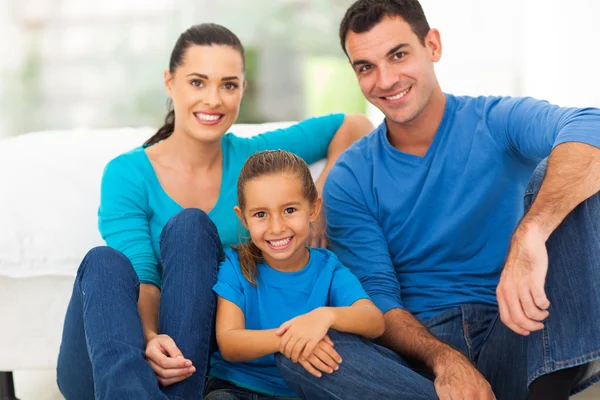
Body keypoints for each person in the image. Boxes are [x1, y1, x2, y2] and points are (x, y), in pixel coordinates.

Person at [275, 1, 600, 400]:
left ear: (432, 45)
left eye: (398, 55)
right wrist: (447, 363)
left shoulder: (495, 120)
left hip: (519, 327)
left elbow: (591, 125)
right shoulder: (352, 177)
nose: (386, 79)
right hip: (421, 357)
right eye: (366, 67)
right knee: (300, 352)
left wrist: (530, 232)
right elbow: (379, 302)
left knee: (575, 172)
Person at [56, 23, 373, 400]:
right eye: (197, 82)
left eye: (229, 85)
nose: (213, 99)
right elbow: (143, 276)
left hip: (191, 361)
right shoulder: (127, 173)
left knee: (192, 226)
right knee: (103, 261)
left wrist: (318, 210)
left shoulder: (253, 162)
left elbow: (353, 125)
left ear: (242, 90)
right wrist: (150, 338)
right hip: (118, 353)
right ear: (169, 82)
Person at [202, 150, 386, 399]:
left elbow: (374, 321)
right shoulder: (236, 266)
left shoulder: (328, 269)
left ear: (313, 209)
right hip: (237, 388)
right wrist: (290, 340)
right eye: (260, 214)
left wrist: (325, 316)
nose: (277, 227)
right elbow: (230, 343)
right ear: (243, 218)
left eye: (289, 210)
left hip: (302, 390)